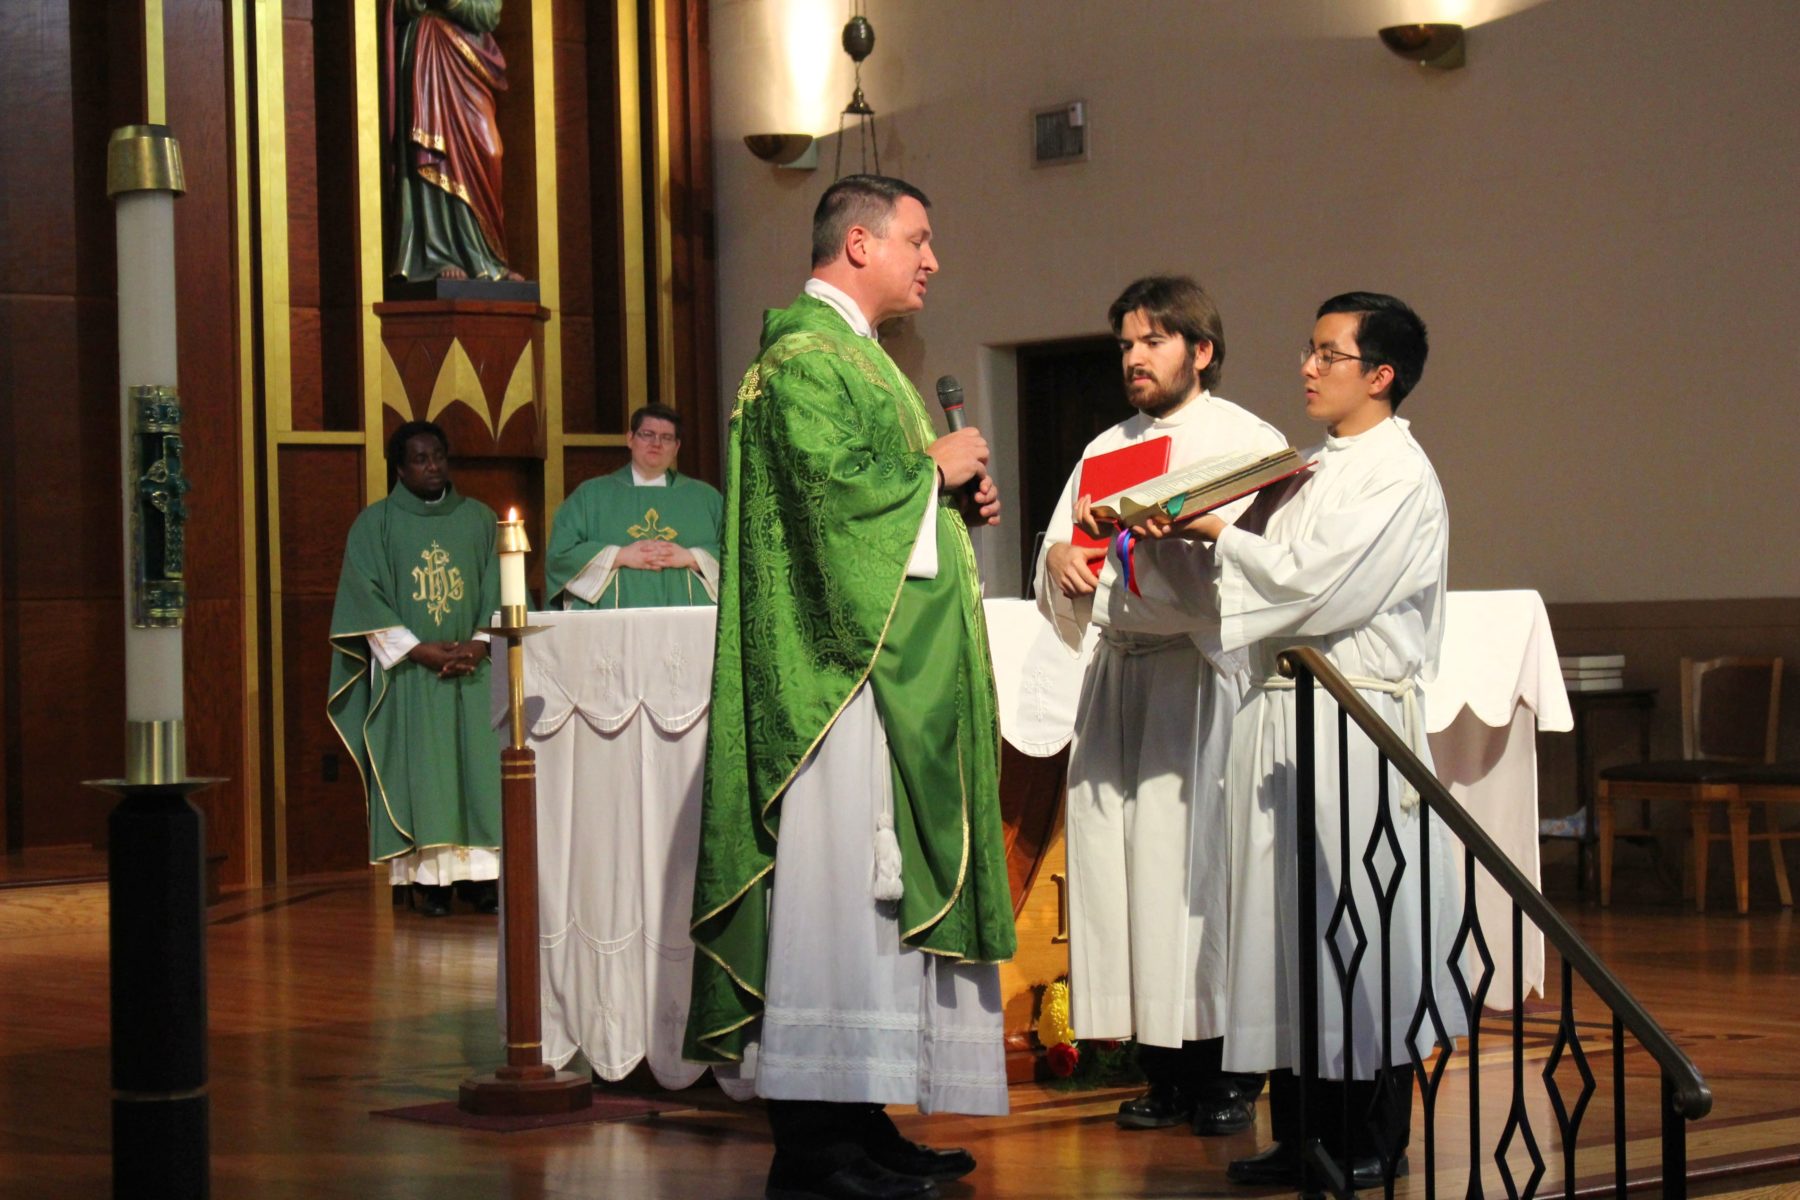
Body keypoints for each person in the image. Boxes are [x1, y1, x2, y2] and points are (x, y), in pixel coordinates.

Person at [683, 175, 1015, 1200]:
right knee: (834, 907)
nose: (933, 260)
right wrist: (935, 476)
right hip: (832, 687)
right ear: (860, 242)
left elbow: (875, 496)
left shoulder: (856, 360)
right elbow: (834, 509)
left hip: (877, 678)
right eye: (919, 238)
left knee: (869, 913)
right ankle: (816, 1149)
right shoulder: (802, 360)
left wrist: (943, 491)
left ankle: (859, 1123)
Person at [1127, 293, 1461, 1189]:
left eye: (1328, 354)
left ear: (1380, 374)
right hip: (1277, 714)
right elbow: (1250, 587)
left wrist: (1217, 531)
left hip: (1354, 720)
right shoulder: (1307, 466)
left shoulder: (1397, 473)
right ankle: (1302, 1126)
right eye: (1308, 351)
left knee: (1356, 927)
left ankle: (1369, 1138)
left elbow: (1316, 589)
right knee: (1279, 931)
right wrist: (1177, 536)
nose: (1307, 369)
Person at [1036, 276, 1284, 1138]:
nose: (1134, 359)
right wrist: (1062, 554)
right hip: (1120, 677)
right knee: (1121, 875)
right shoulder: (1106, 444)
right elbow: (1064, 537)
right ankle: (1165, 1071)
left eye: (1152, 341)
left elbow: (1269, 560)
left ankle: (1227, 1073)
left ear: (1201, 350)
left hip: (1193, 678)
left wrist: (1197, 539)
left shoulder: (1244, 440)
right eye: (1125, 345)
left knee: (1194, 877)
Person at [326, 420, 502, 918]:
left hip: (474, 672)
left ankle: (484, 881)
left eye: (439, 456)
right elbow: (364, 598)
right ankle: (433, 884)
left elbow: (500, 584)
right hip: (411, 674)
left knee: (480, 773)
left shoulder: (482, 519)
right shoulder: (375, 524)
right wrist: (417, 649)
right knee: (425, 775)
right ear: (400, 468)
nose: (433, 467)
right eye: (421, 459)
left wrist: (480, 643)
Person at [385, 0, 518, 283]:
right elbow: (396, 7)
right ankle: (437, 254)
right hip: (429, 51)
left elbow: (490, 13)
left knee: (489, 150)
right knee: (435, 148)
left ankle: (489, 257)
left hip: (470, 55)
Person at [543, 403, 723, 608]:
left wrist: (691, 557)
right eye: (647, 434)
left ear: (677, 447)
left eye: (666, 438)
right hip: (612, 622)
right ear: (630, 439)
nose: (656, 443)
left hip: (688, 621)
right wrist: (620, 556)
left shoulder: (706, 498)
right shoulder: (591, 495)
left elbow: (740, 555)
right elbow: (561, 556)